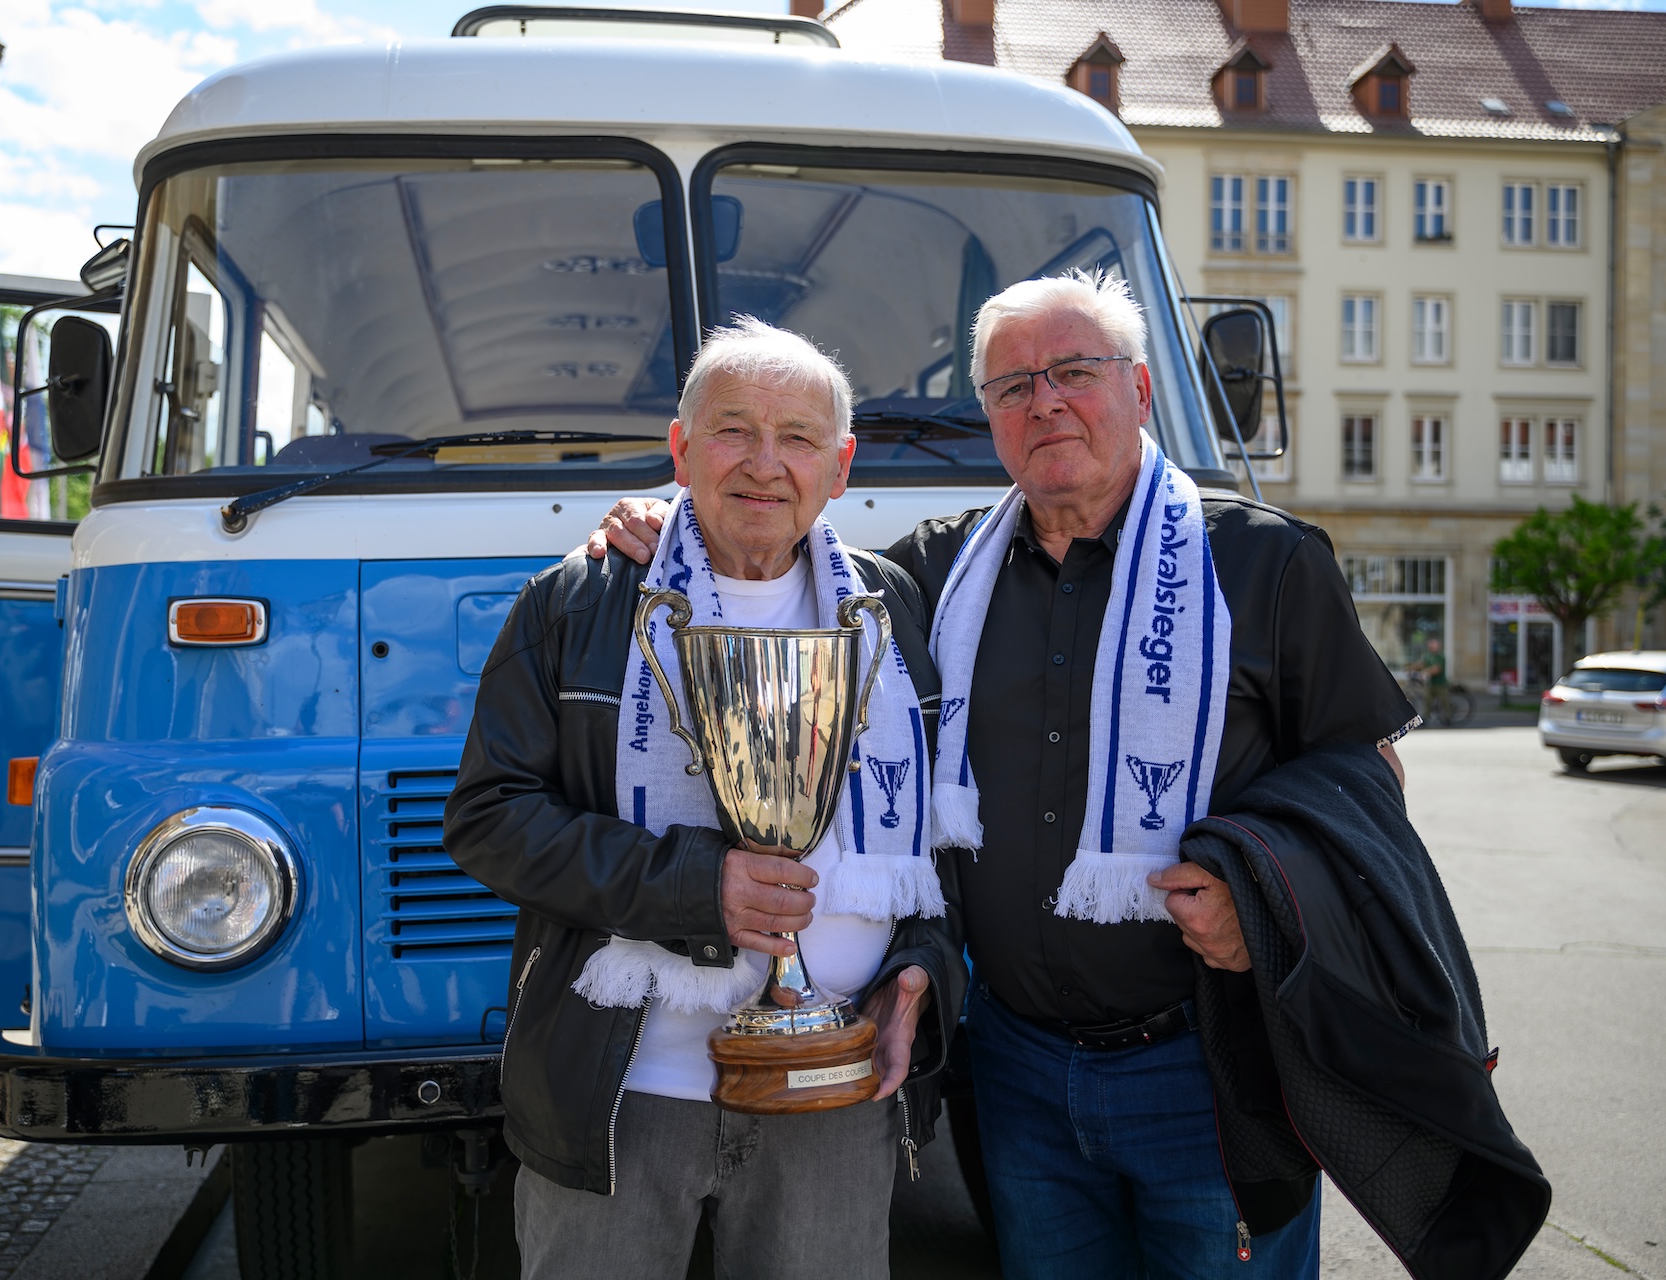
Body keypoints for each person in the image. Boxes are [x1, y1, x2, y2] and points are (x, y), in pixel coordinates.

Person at [586, 271, 1418, 1279]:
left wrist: (1269, 903)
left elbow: (1365, 780)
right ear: (989, 418)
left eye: (1075, 371)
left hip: (1206, 1066)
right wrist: (661, 521)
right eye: (1013, 385)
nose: (1046, 401)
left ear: (1142, 392)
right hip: (1020, 1078)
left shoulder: (1262, 563)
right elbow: (779, 534)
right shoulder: (932, 577)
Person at [444, 318, 965, 1280]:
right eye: (733, 430)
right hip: (623, 1092)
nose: (766, 465)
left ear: (841, 466)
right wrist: (697, 890)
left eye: (800, 437)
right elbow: (488, 818)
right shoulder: (579, 600)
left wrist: (923, 973)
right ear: (681, 450)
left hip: (833, 1091)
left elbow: (943, 837)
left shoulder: (893, 610)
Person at [1416, 637, 1449, 726]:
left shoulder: (1440, 657)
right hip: (1431, 684)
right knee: (1427, 701)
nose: (1431, 647)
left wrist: (1426, 672)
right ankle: (1425, 718)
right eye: (1430, 646)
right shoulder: (1428, 656)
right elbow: (1421, 664)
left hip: (1440, 683)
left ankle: (1448, 718)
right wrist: (1411, 668)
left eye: (1433, 646)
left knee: (1444, 701)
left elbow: (1437, 669)